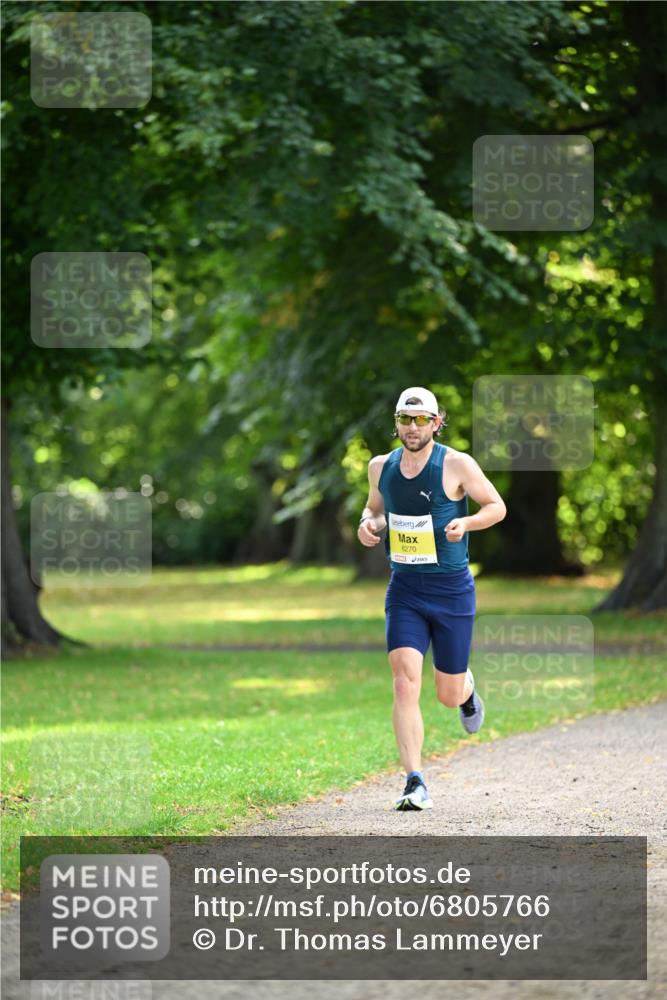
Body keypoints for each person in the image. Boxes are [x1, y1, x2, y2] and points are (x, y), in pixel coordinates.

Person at [357, 387, 507, 811]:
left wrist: (468, 524)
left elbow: (496, 506)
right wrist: (368, 526)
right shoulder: (379, 467)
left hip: (451, 589)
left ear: (436, 422)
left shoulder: (457, 463)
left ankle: (467, 690)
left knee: (447, 694)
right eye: (406, 419)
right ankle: (414, 780)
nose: (413, 427)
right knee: (404, 681)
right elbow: (374, 510)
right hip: (404, 589)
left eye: (422, 420)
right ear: (397, 422)